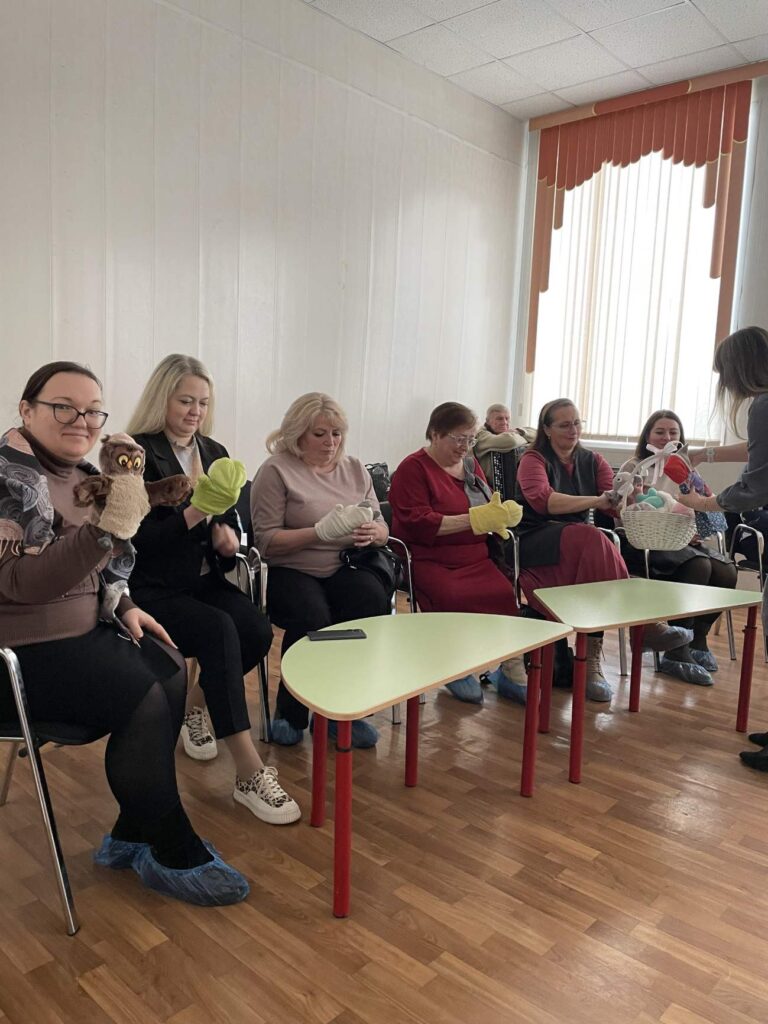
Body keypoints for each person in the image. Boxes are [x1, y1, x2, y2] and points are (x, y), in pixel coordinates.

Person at [0, 361, 248, 905]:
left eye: (93, 411)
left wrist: (125, 603)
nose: (81, 421)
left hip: (84, 629)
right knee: (144, 698)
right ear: (26, 410)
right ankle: (171, 845)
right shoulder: (6, 479)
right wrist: (105, 527)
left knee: (170, 666)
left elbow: (105, 567)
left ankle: (132, 834)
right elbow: (23, 585)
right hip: (19, 652)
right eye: (63, 407)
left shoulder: (85, 473)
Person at [127, 355, 299, 824]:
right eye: (186, 401)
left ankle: (195, 707)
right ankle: (249, 772)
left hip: (204, 580)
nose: (195, 411)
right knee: (219, 630)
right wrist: (195, 512)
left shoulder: (214, 450)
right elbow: (137, 542)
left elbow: (228, 525)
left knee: (256, 632)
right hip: (153, 587)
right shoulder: (136, 454)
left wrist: (227, 543)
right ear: (161, 398)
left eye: (203, 402)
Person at [515, 399, 689, 702]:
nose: (573, 430)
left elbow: (614, 506)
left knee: (595, 551)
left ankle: (592, 660)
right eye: (564, 425)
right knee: (593, 538)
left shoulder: (593, 460)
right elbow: (545, 501)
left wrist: (630, 496)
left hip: (579, 542)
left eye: (577, 423)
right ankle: (641, 627)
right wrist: (597, 501)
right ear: (547, 429)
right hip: (536, 538)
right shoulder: (532, 459)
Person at [250, 393, 392, 748]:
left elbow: (380, 522)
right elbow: (266, 542)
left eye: (337, 434)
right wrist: (319, 532)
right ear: (297, 434)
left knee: (369, 600)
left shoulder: (354, 468)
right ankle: (291, 712)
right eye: (320, 434)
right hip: (291, 568)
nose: (331, 442)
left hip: (346, 563)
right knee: (312, 616)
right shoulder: (276, 470)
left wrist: (376, 533)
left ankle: (341, 712)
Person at [388, 402, 527, 706]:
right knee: (452, 595)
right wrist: (475, 519)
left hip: (475, 556)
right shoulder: (412, 469)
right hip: (430, 557)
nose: (465, 446)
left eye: (470, 439)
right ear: (435, 434)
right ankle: (453, 664)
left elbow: (488, 505)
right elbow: (417, 522)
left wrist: (501, 514)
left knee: (503, 593)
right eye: (458, 438)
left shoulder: (469, 465)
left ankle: (511, 671)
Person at [674, 326, 768, 770]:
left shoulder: (764, 405)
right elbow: (757, 450)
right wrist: (706, 455)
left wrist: (704, 503)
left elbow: (754, 486)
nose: (726, 385)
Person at [619, 410, 737, 687]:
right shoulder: (635, 466)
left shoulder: (686, 469)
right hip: (645, 542)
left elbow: (703, 507)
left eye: (673, 432)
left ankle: (697, 640)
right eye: (660, 432)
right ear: (647, 436)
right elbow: (629, 511)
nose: (667, 437)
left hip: (682, 539)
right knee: (699, 566)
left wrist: (695, 530)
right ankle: (676, 650)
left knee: (727, 572)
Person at [474, 404, 531, 484]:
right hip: (488, 487)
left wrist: (519, 432)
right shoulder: (480, 435)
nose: (504, 422)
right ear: (488, 421)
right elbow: (512, 441)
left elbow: (537, 434)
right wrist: (525, 438)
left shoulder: (511, 433)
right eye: (499, 419)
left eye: (507, 418)